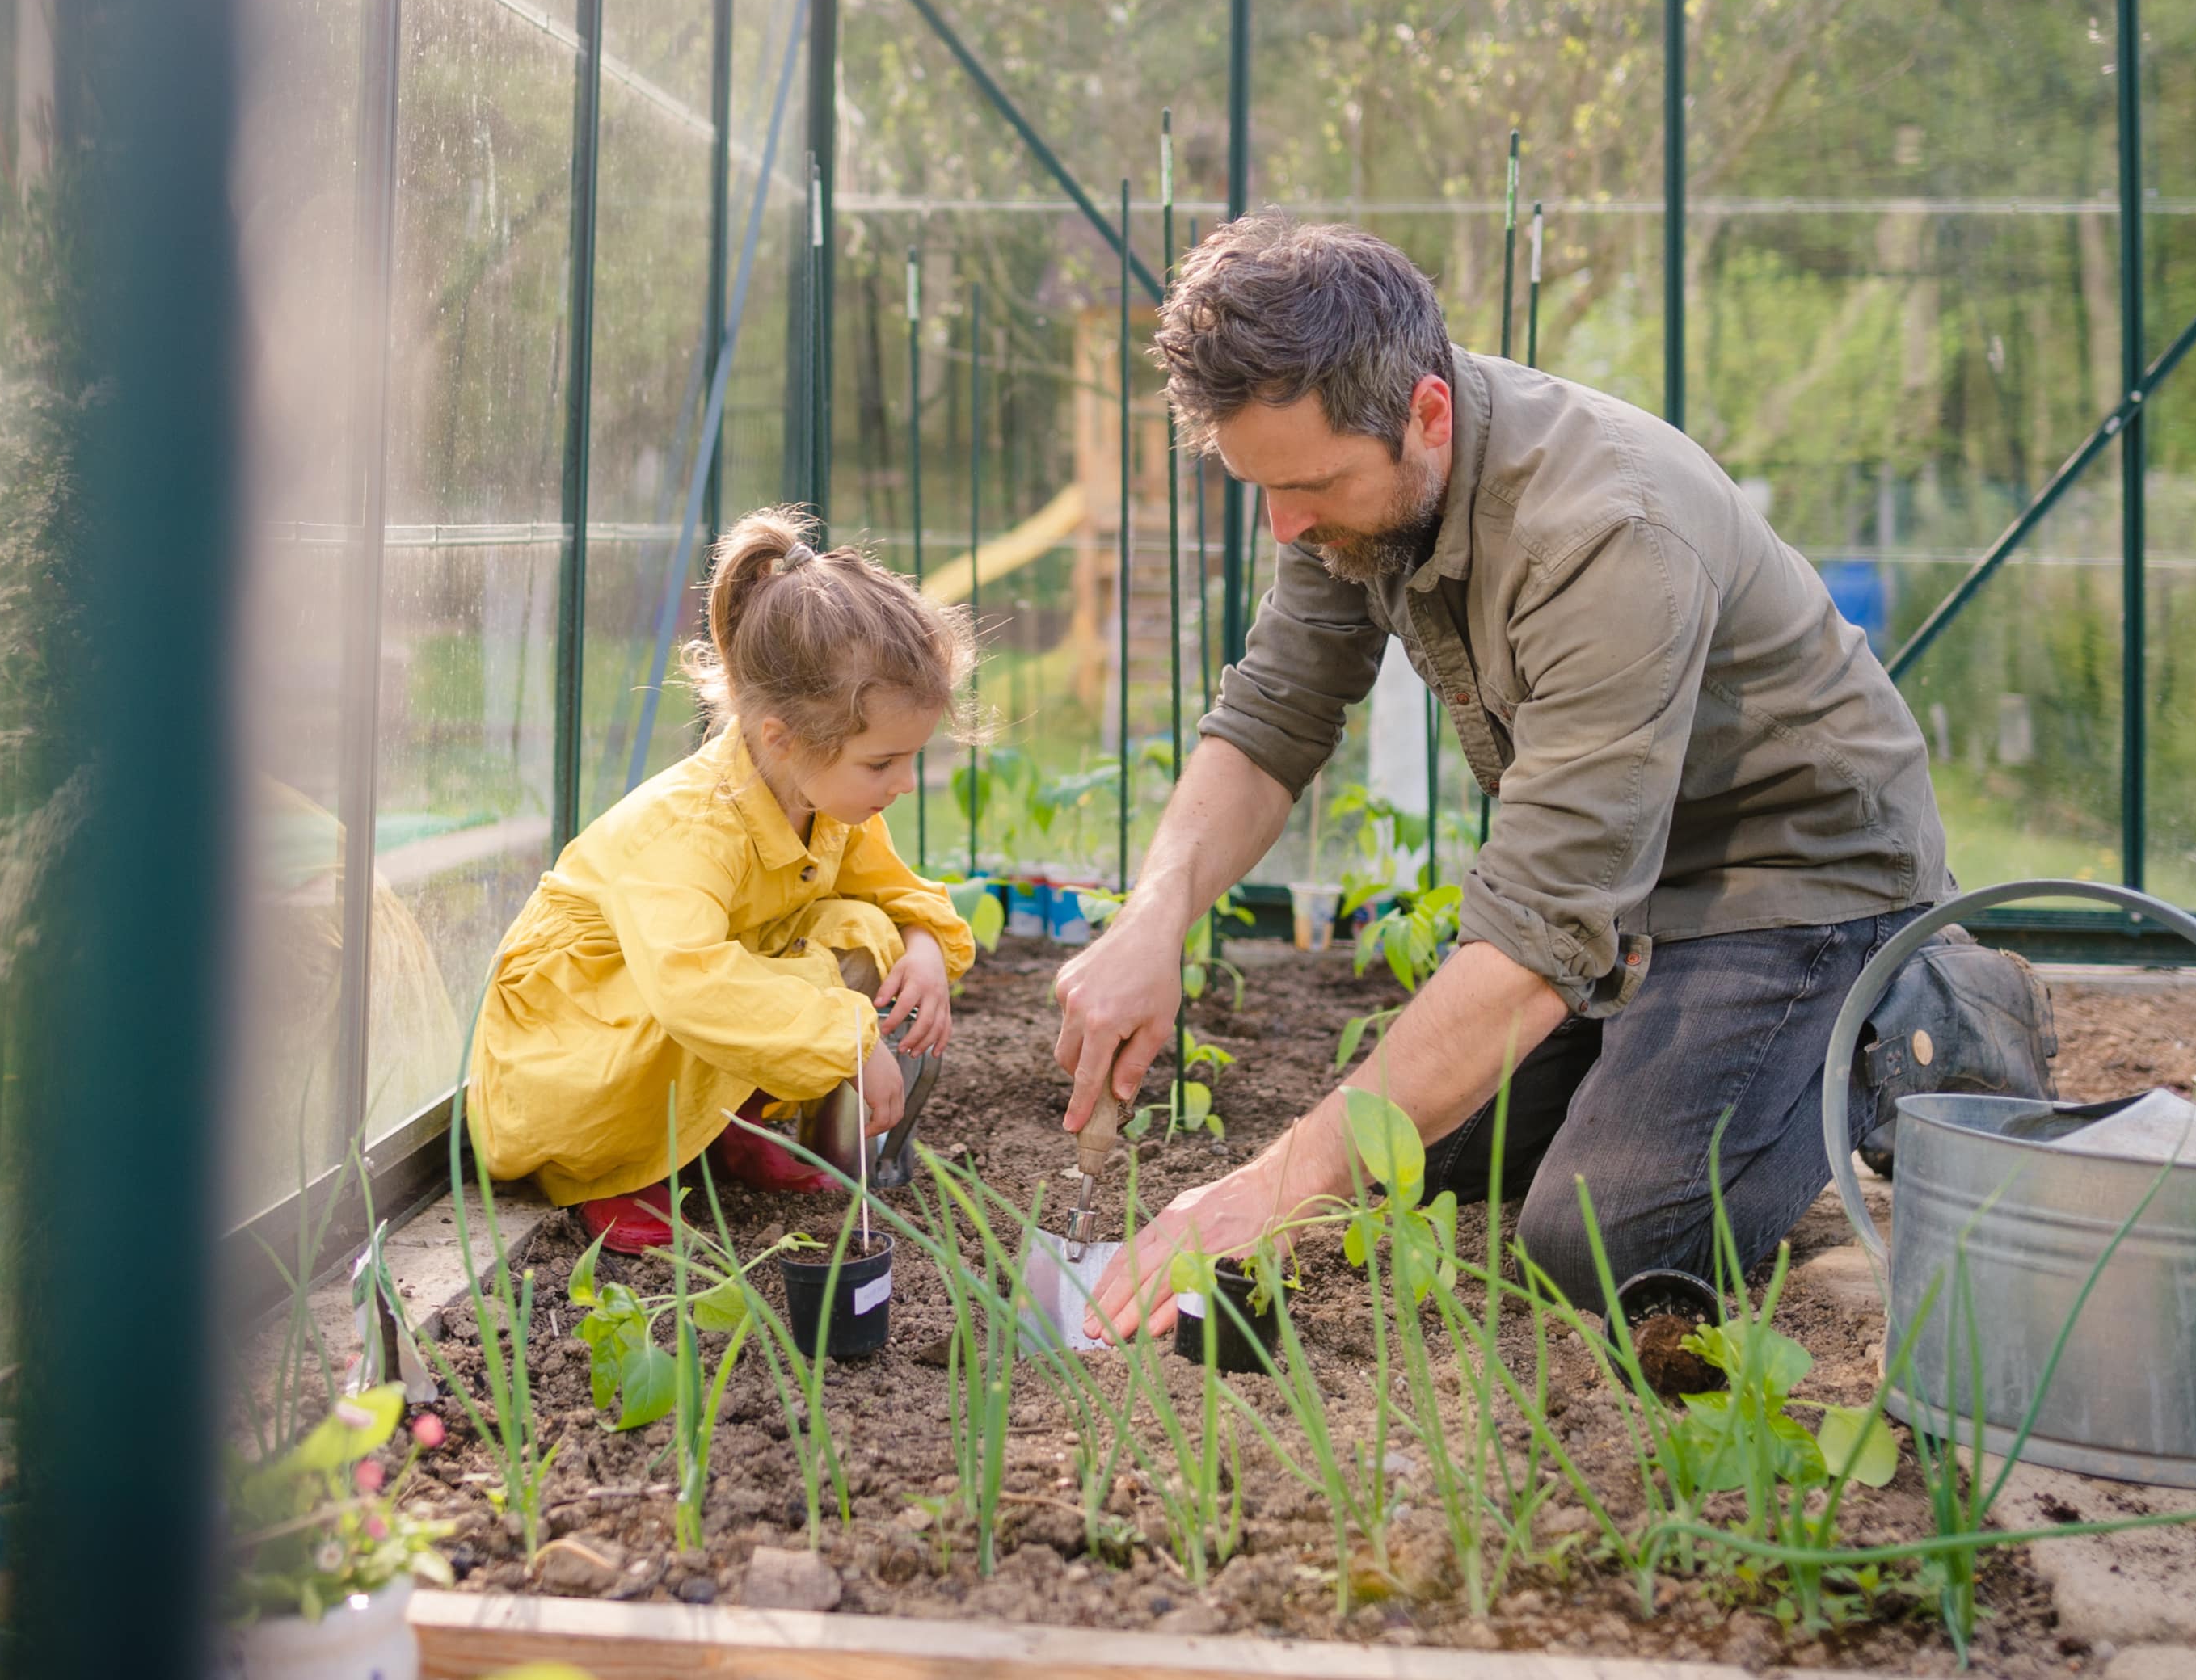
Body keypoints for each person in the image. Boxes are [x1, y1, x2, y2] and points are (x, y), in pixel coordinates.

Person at [1053, 217, 2047, 1339]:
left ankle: (1916, 1009)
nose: (1285, 524)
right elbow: (1277, 713)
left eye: (1312, 485)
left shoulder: (1605, 535)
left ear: (1424, 414)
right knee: (1418, 1156)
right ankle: (1679, 1050)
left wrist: (1259, 1193)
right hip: (1627, 881)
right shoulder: (1347, 484)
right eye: (1261, 489)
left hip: (1794, 875)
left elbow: (1533, 943)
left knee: (1597, 1243)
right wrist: (1153, 918)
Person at [467, 507, 976, 1253]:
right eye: (882, 762)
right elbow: (692, 986)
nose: (902, 783)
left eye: (911, 759)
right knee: (713, 985)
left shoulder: (825, 797)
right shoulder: (689, 830)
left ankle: (725, 1126)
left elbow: (896, 891)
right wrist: (847, 1039)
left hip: (674, 1012)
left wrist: (924, 942)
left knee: (865, 927)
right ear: (783, 737)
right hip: (573, 1053)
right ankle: (613, 1170)